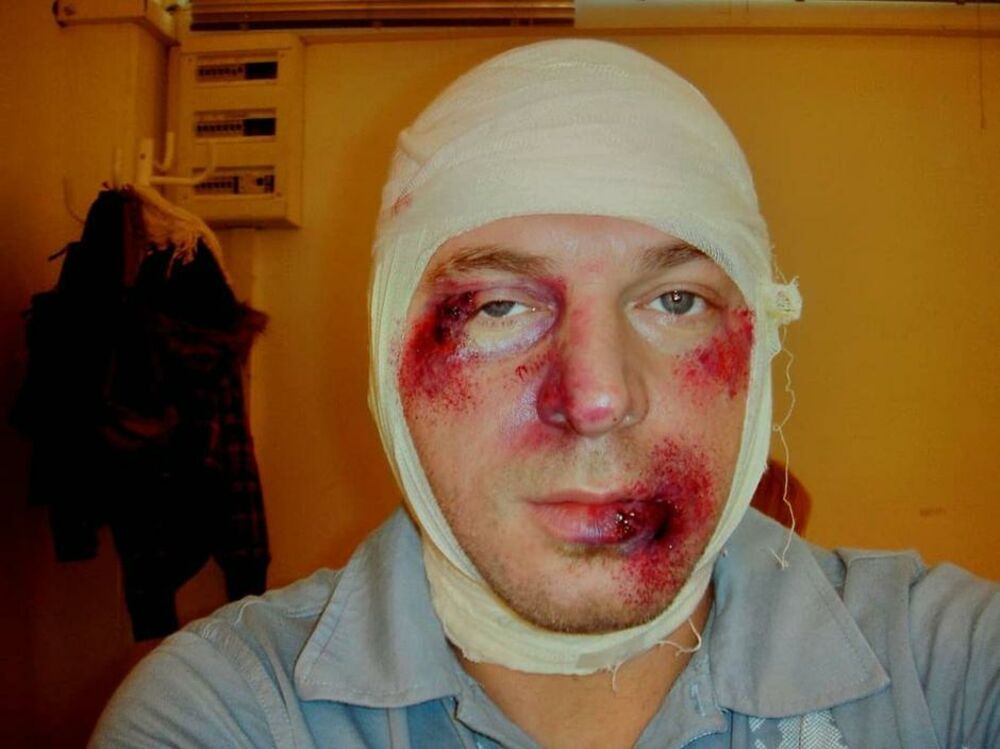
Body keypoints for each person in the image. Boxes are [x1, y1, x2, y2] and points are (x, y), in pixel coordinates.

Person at [90, 39, 998, 749]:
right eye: (498, 306)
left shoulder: (944, 669)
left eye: (676, 301)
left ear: (760, 338)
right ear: (388, 352)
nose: (596, 398)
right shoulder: (228, 711)